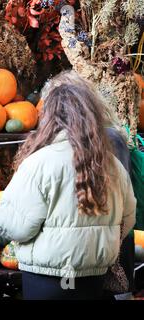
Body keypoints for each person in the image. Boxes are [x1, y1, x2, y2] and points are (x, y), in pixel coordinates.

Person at [0, 70, 136, 300]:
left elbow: (15, 226)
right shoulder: (111, 164)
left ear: (49, 117)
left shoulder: (38, 163)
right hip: (93, 279)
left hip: (45, 279)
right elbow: (127, 218)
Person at [40, 71, 135, 297]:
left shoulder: (107, 139)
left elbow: (114, 202)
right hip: (97, 252)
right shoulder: (97, 138)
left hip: (108, 258)